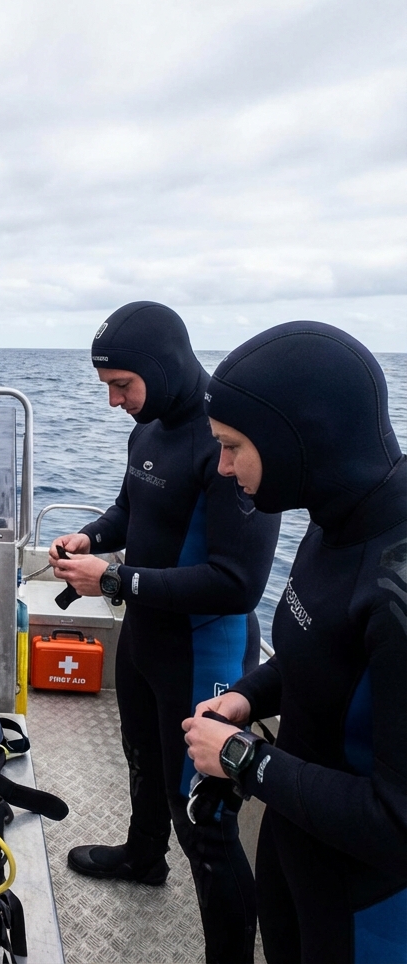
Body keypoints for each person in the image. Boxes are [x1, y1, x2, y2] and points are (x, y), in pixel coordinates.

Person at [49, 301, 281, 964]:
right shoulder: (148, 431)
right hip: (148, 637)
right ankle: (144, 856)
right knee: (144, 760)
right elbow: (133, 508)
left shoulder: (226, 443)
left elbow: (238, 583)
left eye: (123, 385)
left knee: (203, 819)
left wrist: (117, 582)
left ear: (163, 368)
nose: (115, 400)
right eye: (107, 388)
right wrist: (90, 537)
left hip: (204, 644)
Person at [182, 322, 406, 964]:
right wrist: (248, 699)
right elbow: (323, 654)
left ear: (295, 441)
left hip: (367, 901)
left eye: (232, 448)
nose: (222, 468)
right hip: (294, 841)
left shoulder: (399, 584)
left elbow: (398, 823)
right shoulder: (335, 519)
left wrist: (245, 761)